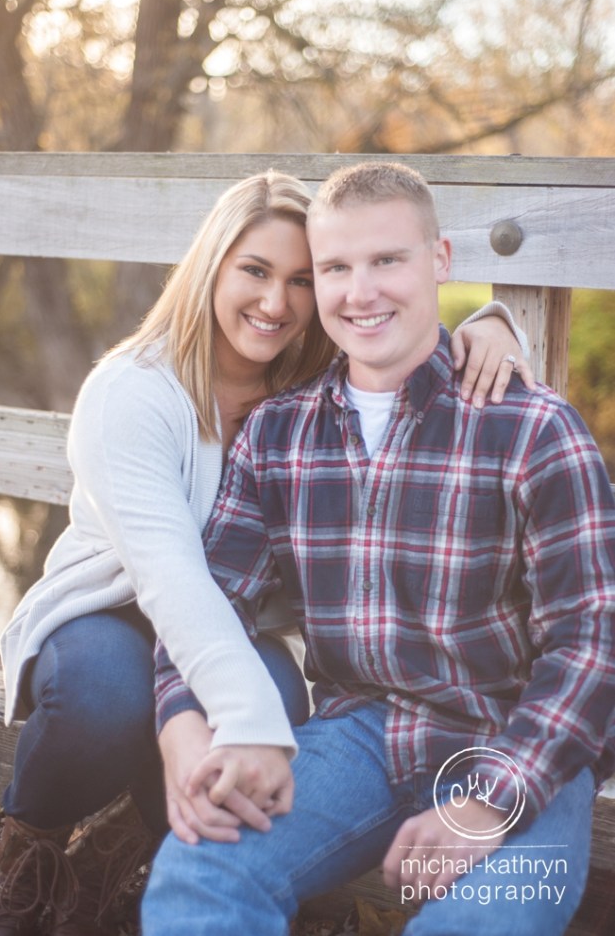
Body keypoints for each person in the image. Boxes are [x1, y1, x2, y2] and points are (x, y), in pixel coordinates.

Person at [0, 169, 529, 936]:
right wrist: (244, 726)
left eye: (302, 279)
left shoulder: (316, 387)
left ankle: (131, 854)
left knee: (280, 697)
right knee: (110, 696)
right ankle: (27, 855)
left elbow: (404, 346)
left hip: (241, 626)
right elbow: (171, 581)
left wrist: (491, 327)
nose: (276, 302)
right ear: (211, 266)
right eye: (254, 272)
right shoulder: (131, 393)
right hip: (113, 614)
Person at [143, 161, 615, 936]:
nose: (360, 293)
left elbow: (592, 643)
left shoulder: (532, 429)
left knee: (482, 924)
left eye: (386, 260)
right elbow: (209, 597)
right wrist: (183, 714)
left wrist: (485, 800)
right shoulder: (278, 433)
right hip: (356, 739)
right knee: (199, 874)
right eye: (334, 268)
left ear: (439, 261)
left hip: (514, 745)